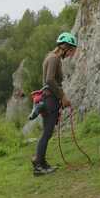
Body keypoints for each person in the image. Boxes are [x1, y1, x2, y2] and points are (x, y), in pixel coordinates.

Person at [31, 32, 77, 175]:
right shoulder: (54, 59)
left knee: (47, 132)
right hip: (50, 99)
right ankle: (39, 165)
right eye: (71, 50)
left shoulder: (50, 57)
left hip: (48, 98)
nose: (71, 54)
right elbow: (50, 80)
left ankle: (41, 162)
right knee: (47, 133)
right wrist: (62, 97)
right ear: (66, 47)